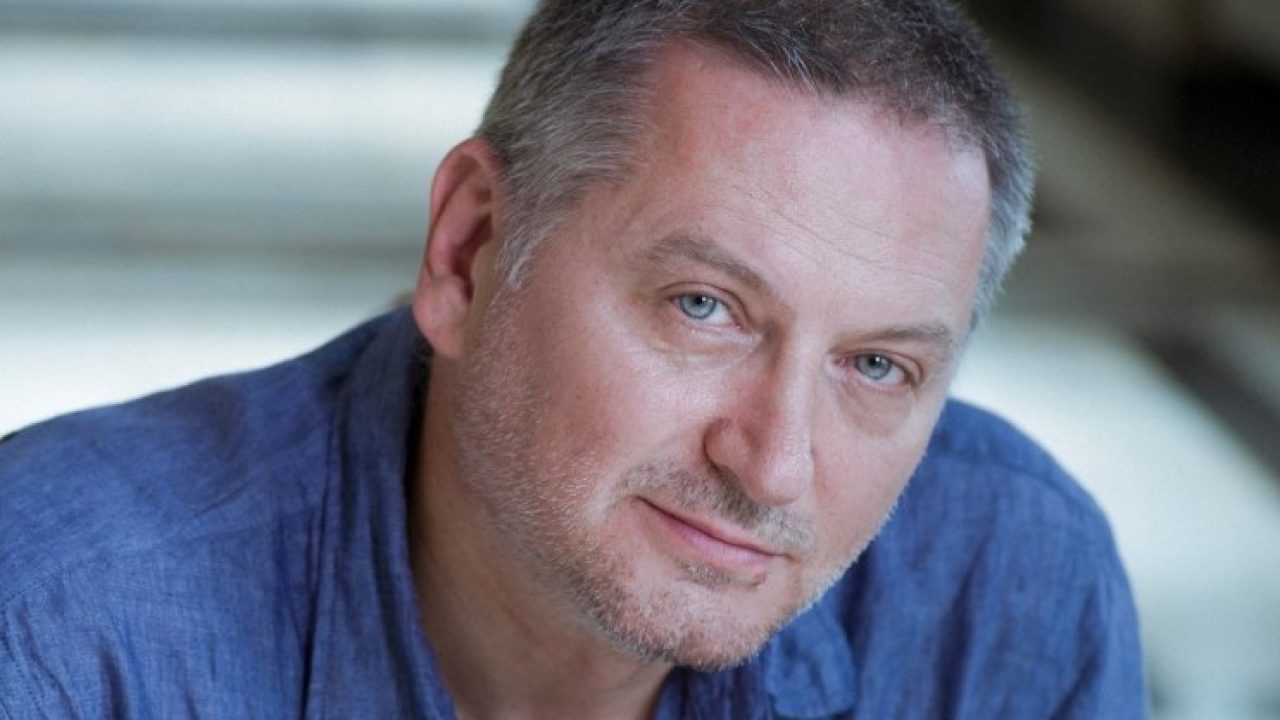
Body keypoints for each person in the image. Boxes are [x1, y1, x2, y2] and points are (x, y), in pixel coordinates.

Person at [0, 1, 1146, 718]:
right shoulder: (62, 626)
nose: (773, 466)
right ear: (468, 251)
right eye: (703, 306)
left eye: (877, 367)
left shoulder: (1006, 588)